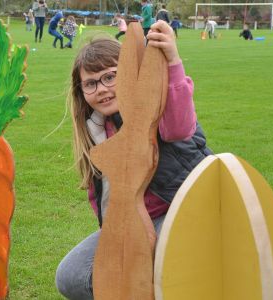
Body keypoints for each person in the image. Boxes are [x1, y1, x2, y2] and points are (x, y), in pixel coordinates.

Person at [55, 21, 212, 299]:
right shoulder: (95, 128)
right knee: (71, 275)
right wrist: (115, 240)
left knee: (158, 266)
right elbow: (101, 196)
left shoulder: (158, 111)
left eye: (110, 76)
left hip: (179, 211)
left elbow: (180, 127)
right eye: (91, 83)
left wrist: (173, 62)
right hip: (132, 222)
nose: (102, 89)